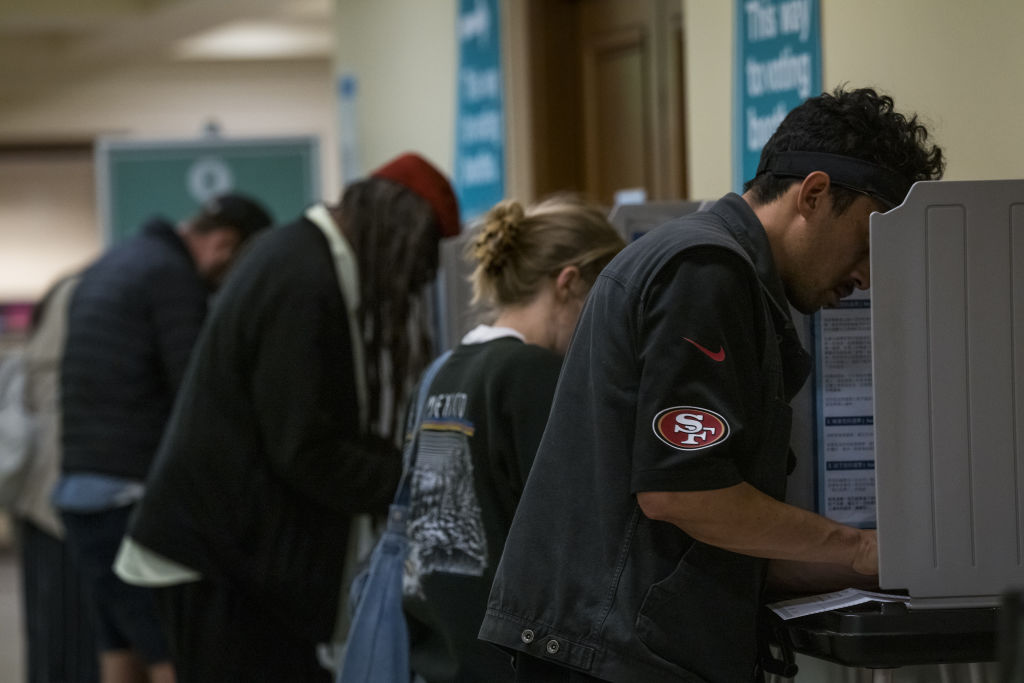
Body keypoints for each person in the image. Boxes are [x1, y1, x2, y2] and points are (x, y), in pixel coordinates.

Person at [478, 86, 945, 682]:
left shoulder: (711, 265)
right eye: (867, 241)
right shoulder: (706, 271)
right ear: (815, 193)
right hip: (614, 653)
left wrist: (881, 562)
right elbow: (684, 493)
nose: (869, 275)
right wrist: (859, 550)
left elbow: (722, 538)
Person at [119, 153, 461, 683]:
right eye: (410, 260)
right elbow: (305, 447)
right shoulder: (302, 278)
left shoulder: (300, 255)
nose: (408, 281)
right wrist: (420, 483)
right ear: (391, 230)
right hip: (218, 559)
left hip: (232, 553)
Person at [401, 196, 625, 682]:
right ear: (569, 282)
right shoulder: (533, 374)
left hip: (444, 653)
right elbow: (579, 536)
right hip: (513, 664)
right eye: (602, 302)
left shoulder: (446, 370)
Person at [55, 193, 272, 683]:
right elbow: (195, 395)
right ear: (224, 244)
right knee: (170, 654)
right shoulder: (171, 279)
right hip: (130, 493)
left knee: (120, 647)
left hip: (81, 489)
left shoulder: (114, 263)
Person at [14, 274, 99, 683]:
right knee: (73, 636)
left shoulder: (69, 290)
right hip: (66, 493)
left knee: (52, 639)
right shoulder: (87, 292)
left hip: (41, 494)